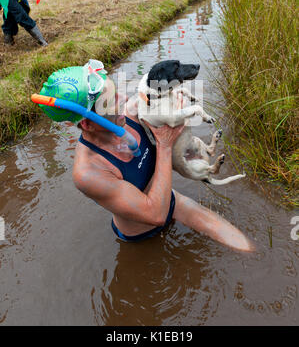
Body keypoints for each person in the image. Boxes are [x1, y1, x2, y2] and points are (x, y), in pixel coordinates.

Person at [37, 60, 254, 251]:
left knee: (243, 245)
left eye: (117, 92)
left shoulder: (132, 111)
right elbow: (155, 214)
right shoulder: (88, 172)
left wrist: (176, 105)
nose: (123, 99)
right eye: (110, 101)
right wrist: (164, 145)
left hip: (171, 201)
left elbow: (165, 100)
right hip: (140, 235)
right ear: (87, 123)